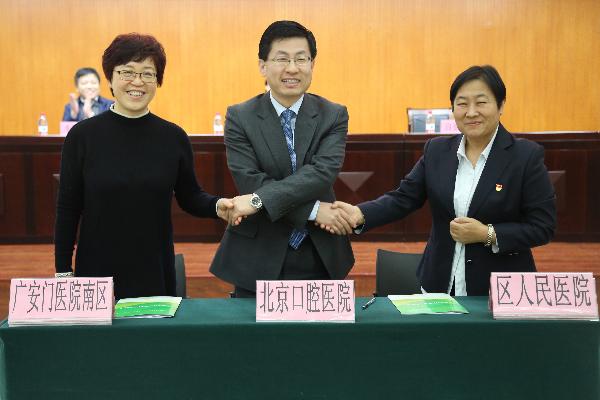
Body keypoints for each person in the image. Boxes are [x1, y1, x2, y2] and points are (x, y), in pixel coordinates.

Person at [328, 65, 556, 296]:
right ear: (453, 108)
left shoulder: (525, 156)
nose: (471, 112)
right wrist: (360, 214)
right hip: (439, 285)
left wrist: (488, 234)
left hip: (500, 290)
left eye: (481, 102)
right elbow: (403, 198)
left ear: (501, 105)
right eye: (462, 103)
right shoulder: (437, 150)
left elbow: (542, 227)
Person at [55, 33, 238, 299]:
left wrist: (218, 206)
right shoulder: (82, 136)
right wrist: (63, 271)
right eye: (127, 72)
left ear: (157, 81)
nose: (138, 81)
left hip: (154, 269)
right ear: (110, 79)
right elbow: (68, 208)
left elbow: (190, 196)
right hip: (96, 270)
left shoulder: (173, 137)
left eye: (148, 74)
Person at [210, 20, 355, 297]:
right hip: (257, 254)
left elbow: (321, 173)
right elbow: (249, 180)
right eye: (282, 59)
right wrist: (314, 211)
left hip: (321, 251)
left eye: (301, 59)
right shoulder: (240, 116)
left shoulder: (333, 114)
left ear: (312, 64)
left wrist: (257, 201)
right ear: (263, 66)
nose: (292, 68)